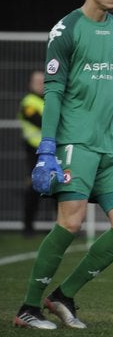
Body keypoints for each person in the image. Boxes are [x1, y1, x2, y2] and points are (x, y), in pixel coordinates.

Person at [13, 0, 113, 330]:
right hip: (75, 142)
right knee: (70, 222)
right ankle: (28, 309)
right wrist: (47, 149)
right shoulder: (66, 30)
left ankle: (63, 296)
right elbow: (54, 93)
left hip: (110, 148)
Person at [18, 70, 48, 238]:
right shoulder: (28, 102)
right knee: (33, 189)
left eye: (43, 81)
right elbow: (40, 121)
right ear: (31, 83)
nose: (40, 84)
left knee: (58, 187)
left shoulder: (50, 100)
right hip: (34, 152)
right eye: (37, 81)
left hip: (53, 151)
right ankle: (28, 227)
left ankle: (60, 226)